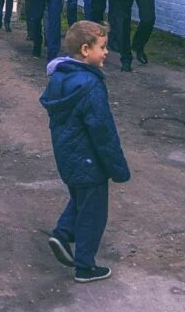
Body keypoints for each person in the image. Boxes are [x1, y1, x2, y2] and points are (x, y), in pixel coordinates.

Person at [40, 20, 130, 283]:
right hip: (90, 160)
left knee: (81, 200)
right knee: (94, 212)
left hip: (68, 156)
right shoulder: (90, 86)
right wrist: (118, 168)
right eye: (102, 47)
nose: (106, 52)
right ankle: (85, 266)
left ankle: (63, 233)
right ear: (85, 50)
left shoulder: (60, 78)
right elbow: (103, 132)